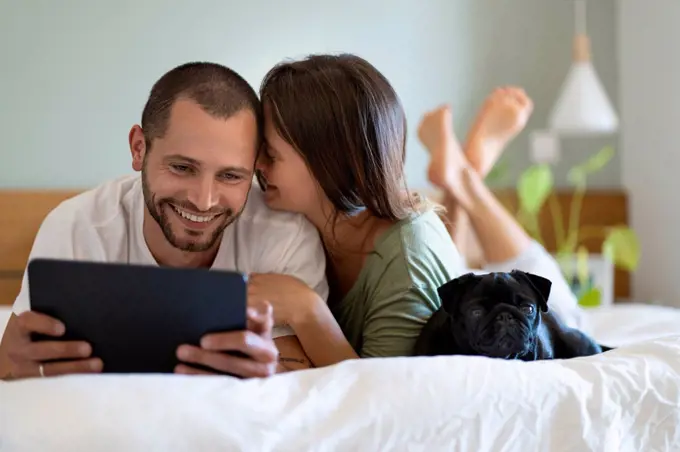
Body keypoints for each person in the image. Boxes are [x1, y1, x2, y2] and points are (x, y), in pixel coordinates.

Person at [0, 62, 329, 380]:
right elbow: (9, 368)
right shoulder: (77, 229)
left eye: (230, 176)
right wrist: (28, 371)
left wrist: (268, 375)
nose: (204, 201)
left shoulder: (285, 237)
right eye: (182, 168)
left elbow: (299, 383)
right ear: (139, 148)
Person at [247, 54, 467, 366]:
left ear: (329, 162)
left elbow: (387, 401)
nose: (258, 165)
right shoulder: (297, 221)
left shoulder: (408, 259)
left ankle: (464, 175)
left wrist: (307, 311)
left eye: (271, 154)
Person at [418, 87, 585, 329]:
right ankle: (465, 175)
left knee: (453, 289)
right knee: (563, 320)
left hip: (468, 324)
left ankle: (464, 174)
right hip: (548, 332)